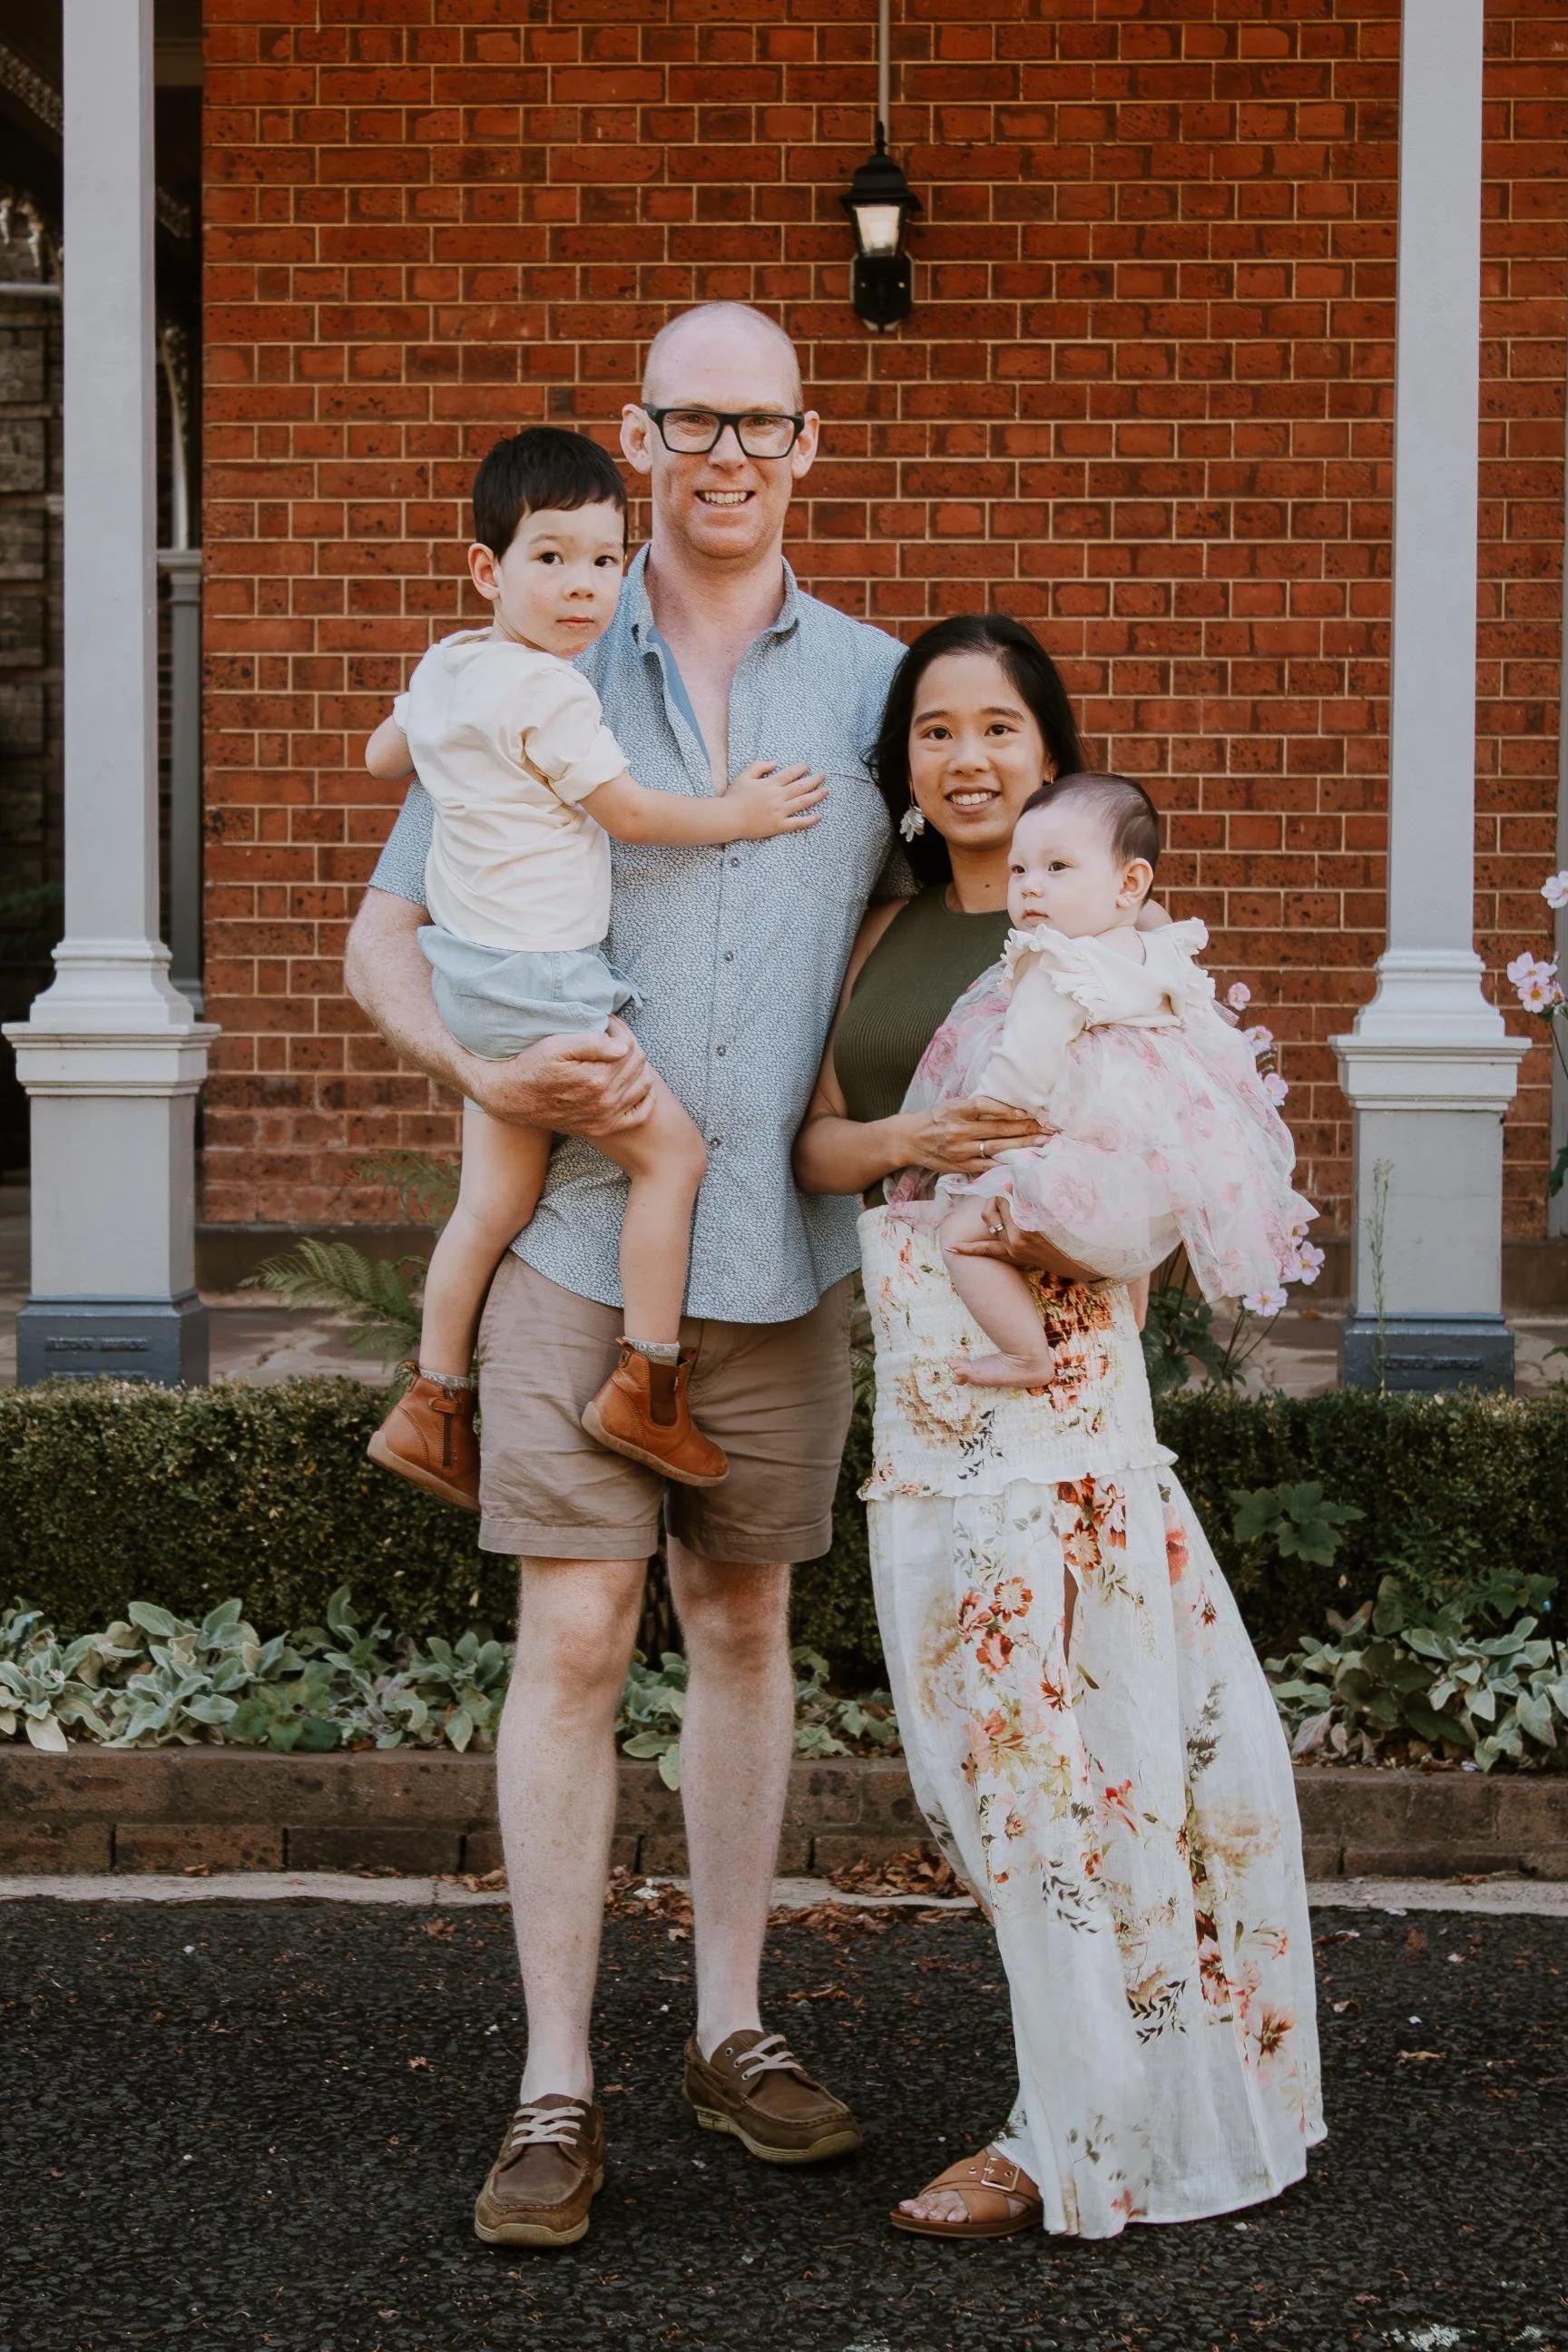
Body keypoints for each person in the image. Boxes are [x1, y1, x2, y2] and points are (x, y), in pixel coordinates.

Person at [345, 304, 904, 2249]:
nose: (727, 451)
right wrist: (480, 1068)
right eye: (693, 418)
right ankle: (555, 2083)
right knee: (578, 1640)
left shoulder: (880, 685)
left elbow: (966, 904)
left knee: (742, 1628)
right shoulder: (541, 647)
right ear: (637, 432)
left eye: (763, 420)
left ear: (809, 444)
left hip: (783, 1241)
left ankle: (735, 2032)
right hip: (586, 1237)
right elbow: (382, 934)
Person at [795, 614, 1324, 2242]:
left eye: (1000, 729)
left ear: (1048, 755)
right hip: (921, 1390)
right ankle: (1100, 2087)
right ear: (904, 766)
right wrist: (909, 1131)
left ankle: (1082, 2128)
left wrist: (1068, 1229)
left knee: (1082, 1765)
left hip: (1063, 1392)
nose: (966, 756)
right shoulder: (872, 932)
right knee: (975, 1772)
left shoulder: (1106, 941)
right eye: (936, 730)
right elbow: (821, 1148)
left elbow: (1186, 1139)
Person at [361, 426, 828, 1507]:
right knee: (671, 1162)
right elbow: (627, 812)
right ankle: (647, 1386)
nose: (584, 588)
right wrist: (740, 812)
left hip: (472, 984)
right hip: (548, 986)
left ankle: (432, 1405)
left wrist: (446, 736)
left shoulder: (448, 667)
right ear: (490, 570)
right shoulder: (556, 694)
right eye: (552, 559)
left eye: (605, 561)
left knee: (491, 1205)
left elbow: (382, 755)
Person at [915, 771, 1317, 1387]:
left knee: (960, 1235)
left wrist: (978, 1139)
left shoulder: (1060, 967)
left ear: (1129, 883)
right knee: (1129, 1237)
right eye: (1019, 870)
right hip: (1143, 1195)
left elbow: (1017, 1076)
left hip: (1070, 1186)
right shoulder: (1158, 955)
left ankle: (1026, 1354)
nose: (1030, 888)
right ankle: (1125, 1334)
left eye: (1057, 867)